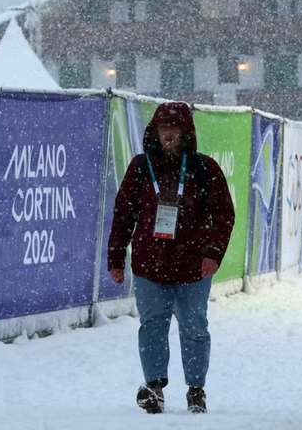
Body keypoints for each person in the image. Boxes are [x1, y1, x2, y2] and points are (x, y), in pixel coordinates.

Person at [108, 101, 234, 415]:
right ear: (154, 132)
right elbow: (123, 214)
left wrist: (213, 254)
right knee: (152, 326)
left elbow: (223, 215)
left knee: (194, 328)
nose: (168, 136)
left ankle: (196, 390)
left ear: (186, 133)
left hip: (193, 268)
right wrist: (115, 258)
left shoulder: (204, 169)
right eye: (163, 129)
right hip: (149, 265)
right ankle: (154, 387)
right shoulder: (140, 168)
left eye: (174, 130)